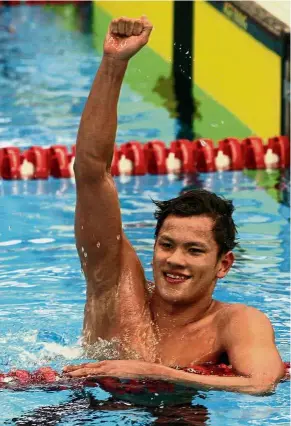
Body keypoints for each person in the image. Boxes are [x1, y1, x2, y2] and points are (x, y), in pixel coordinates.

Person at [64, 16, 285, 395]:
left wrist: (154, 372)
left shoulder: (236, 322)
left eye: (194, 250)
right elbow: (91, 172)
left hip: (179, 411)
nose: (175, 260)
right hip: (84, 410)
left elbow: (262, 383)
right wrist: (114, 64)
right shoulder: (114, 286)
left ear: (224, 264)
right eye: (167, 245)